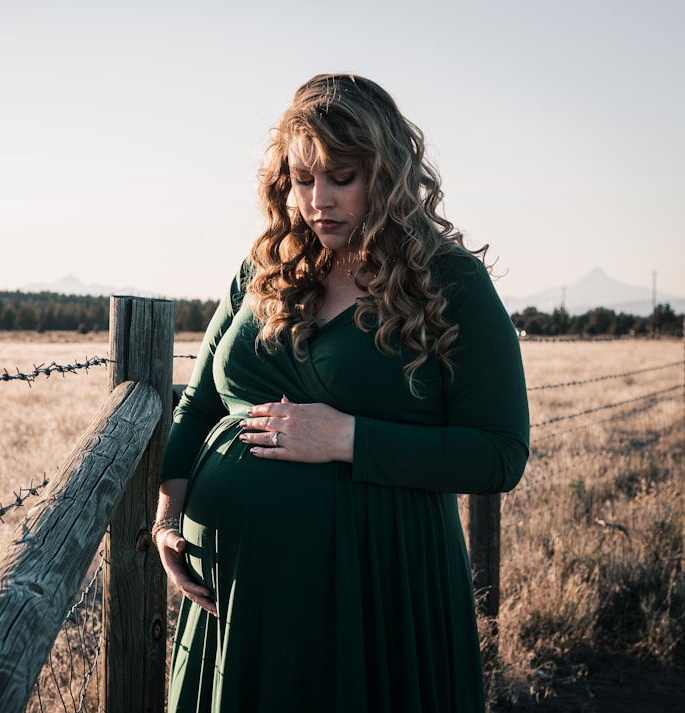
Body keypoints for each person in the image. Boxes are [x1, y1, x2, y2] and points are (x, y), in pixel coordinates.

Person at [152, 73, 529, 712]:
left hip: (379, 587)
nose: (318, 200)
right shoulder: (264, 267)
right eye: (303, 180)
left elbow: (498, 454)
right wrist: (168, 514)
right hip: (240, 588)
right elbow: (204, 401)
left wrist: (349, 439)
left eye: (341, 177)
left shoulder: (450, 282)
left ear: (383, 175)